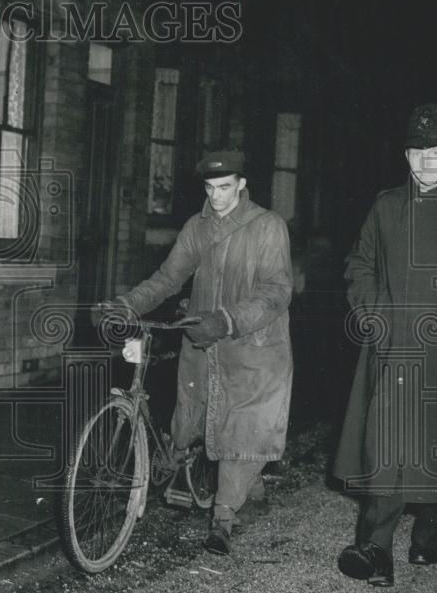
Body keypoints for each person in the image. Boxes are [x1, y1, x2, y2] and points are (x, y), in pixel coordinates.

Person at [100, 149, 294, 556]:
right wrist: (128, 304)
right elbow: (169, 278)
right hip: (203, 340)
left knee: (242, 424)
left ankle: (223, 517)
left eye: (225, 187)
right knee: (194, 413)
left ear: (242, 184)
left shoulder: (267, 226)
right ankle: (214, 475)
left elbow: (276, 292)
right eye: (210, 188)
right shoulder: (197, 227)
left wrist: (226, 321)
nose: (217, 196)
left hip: (251, 344)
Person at [334, 103, 437, 588]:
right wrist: (374, 313)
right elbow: (360, 264)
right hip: (393, 349)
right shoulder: (386, 206)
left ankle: (430, 524)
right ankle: (376, 549)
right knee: (386, 448)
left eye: (434, 152)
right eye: (416, 152)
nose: (424, 162)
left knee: (436, 448)